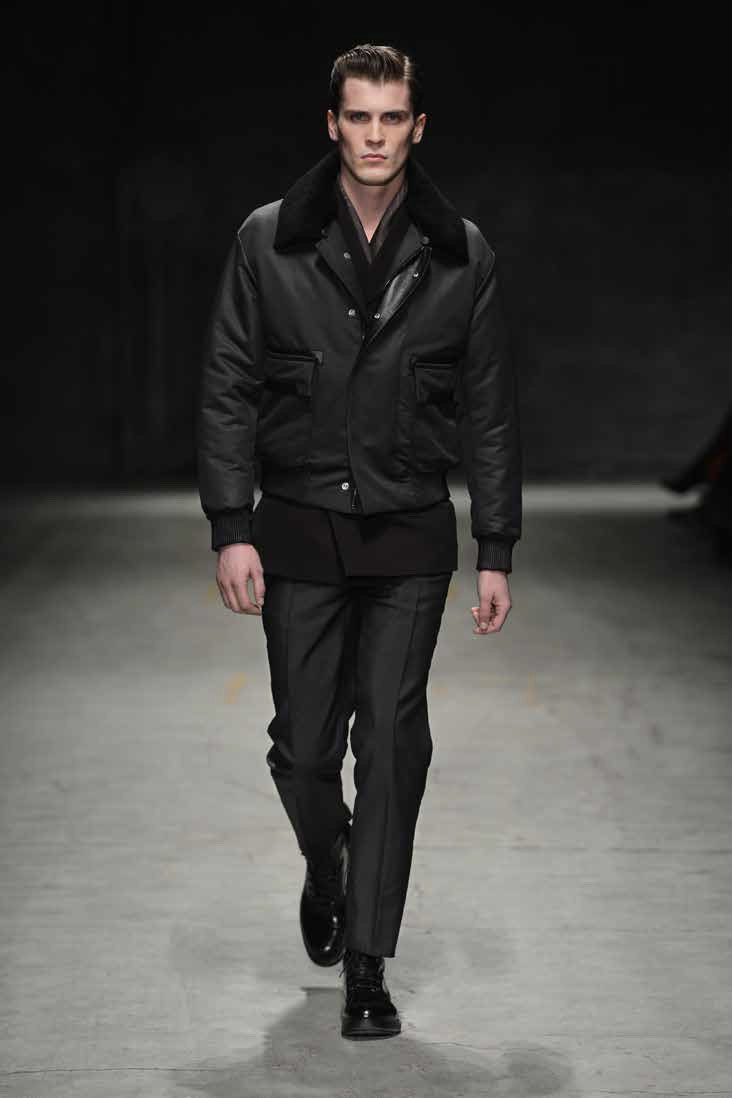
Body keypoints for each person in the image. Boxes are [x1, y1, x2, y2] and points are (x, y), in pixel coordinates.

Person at [196, 43, 523, 1040]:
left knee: (391, 745)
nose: (375, 136)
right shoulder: (268, 240)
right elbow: (227, 384)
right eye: (359, 117)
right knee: (304, 751)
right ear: (332, 124)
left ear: (417, 127)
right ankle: (328, 861)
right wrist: (230, 525)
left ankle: (369, 966)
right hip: (297, 523)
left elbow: (490, 408)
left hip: (410, 533)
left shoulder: (461, 253)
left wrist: (496, 545)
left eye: (392, 118)